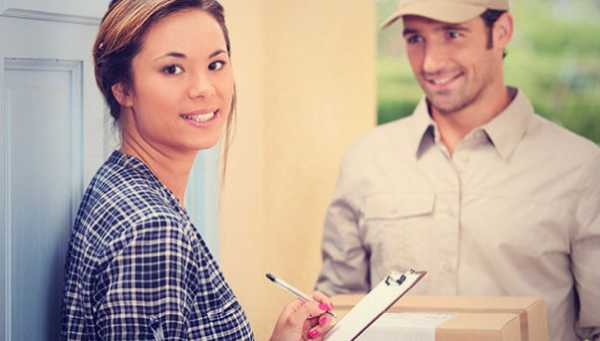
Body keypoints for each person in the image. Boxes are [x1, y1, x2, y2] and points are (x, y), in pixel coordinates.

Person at [315, 1, 600, 340]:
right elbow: (337, 317)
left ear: (502, 31)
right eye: (415, 38)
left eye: (452, 34)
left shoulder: (581, 168)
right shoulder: (366, 160)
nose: (431, 63)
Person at [61, 0, 334, 340]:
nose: (204, 88)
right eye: (173, 69)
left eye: (216, 64)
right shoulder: (151, 233)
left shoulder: (118, 181)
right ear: (123, 88)